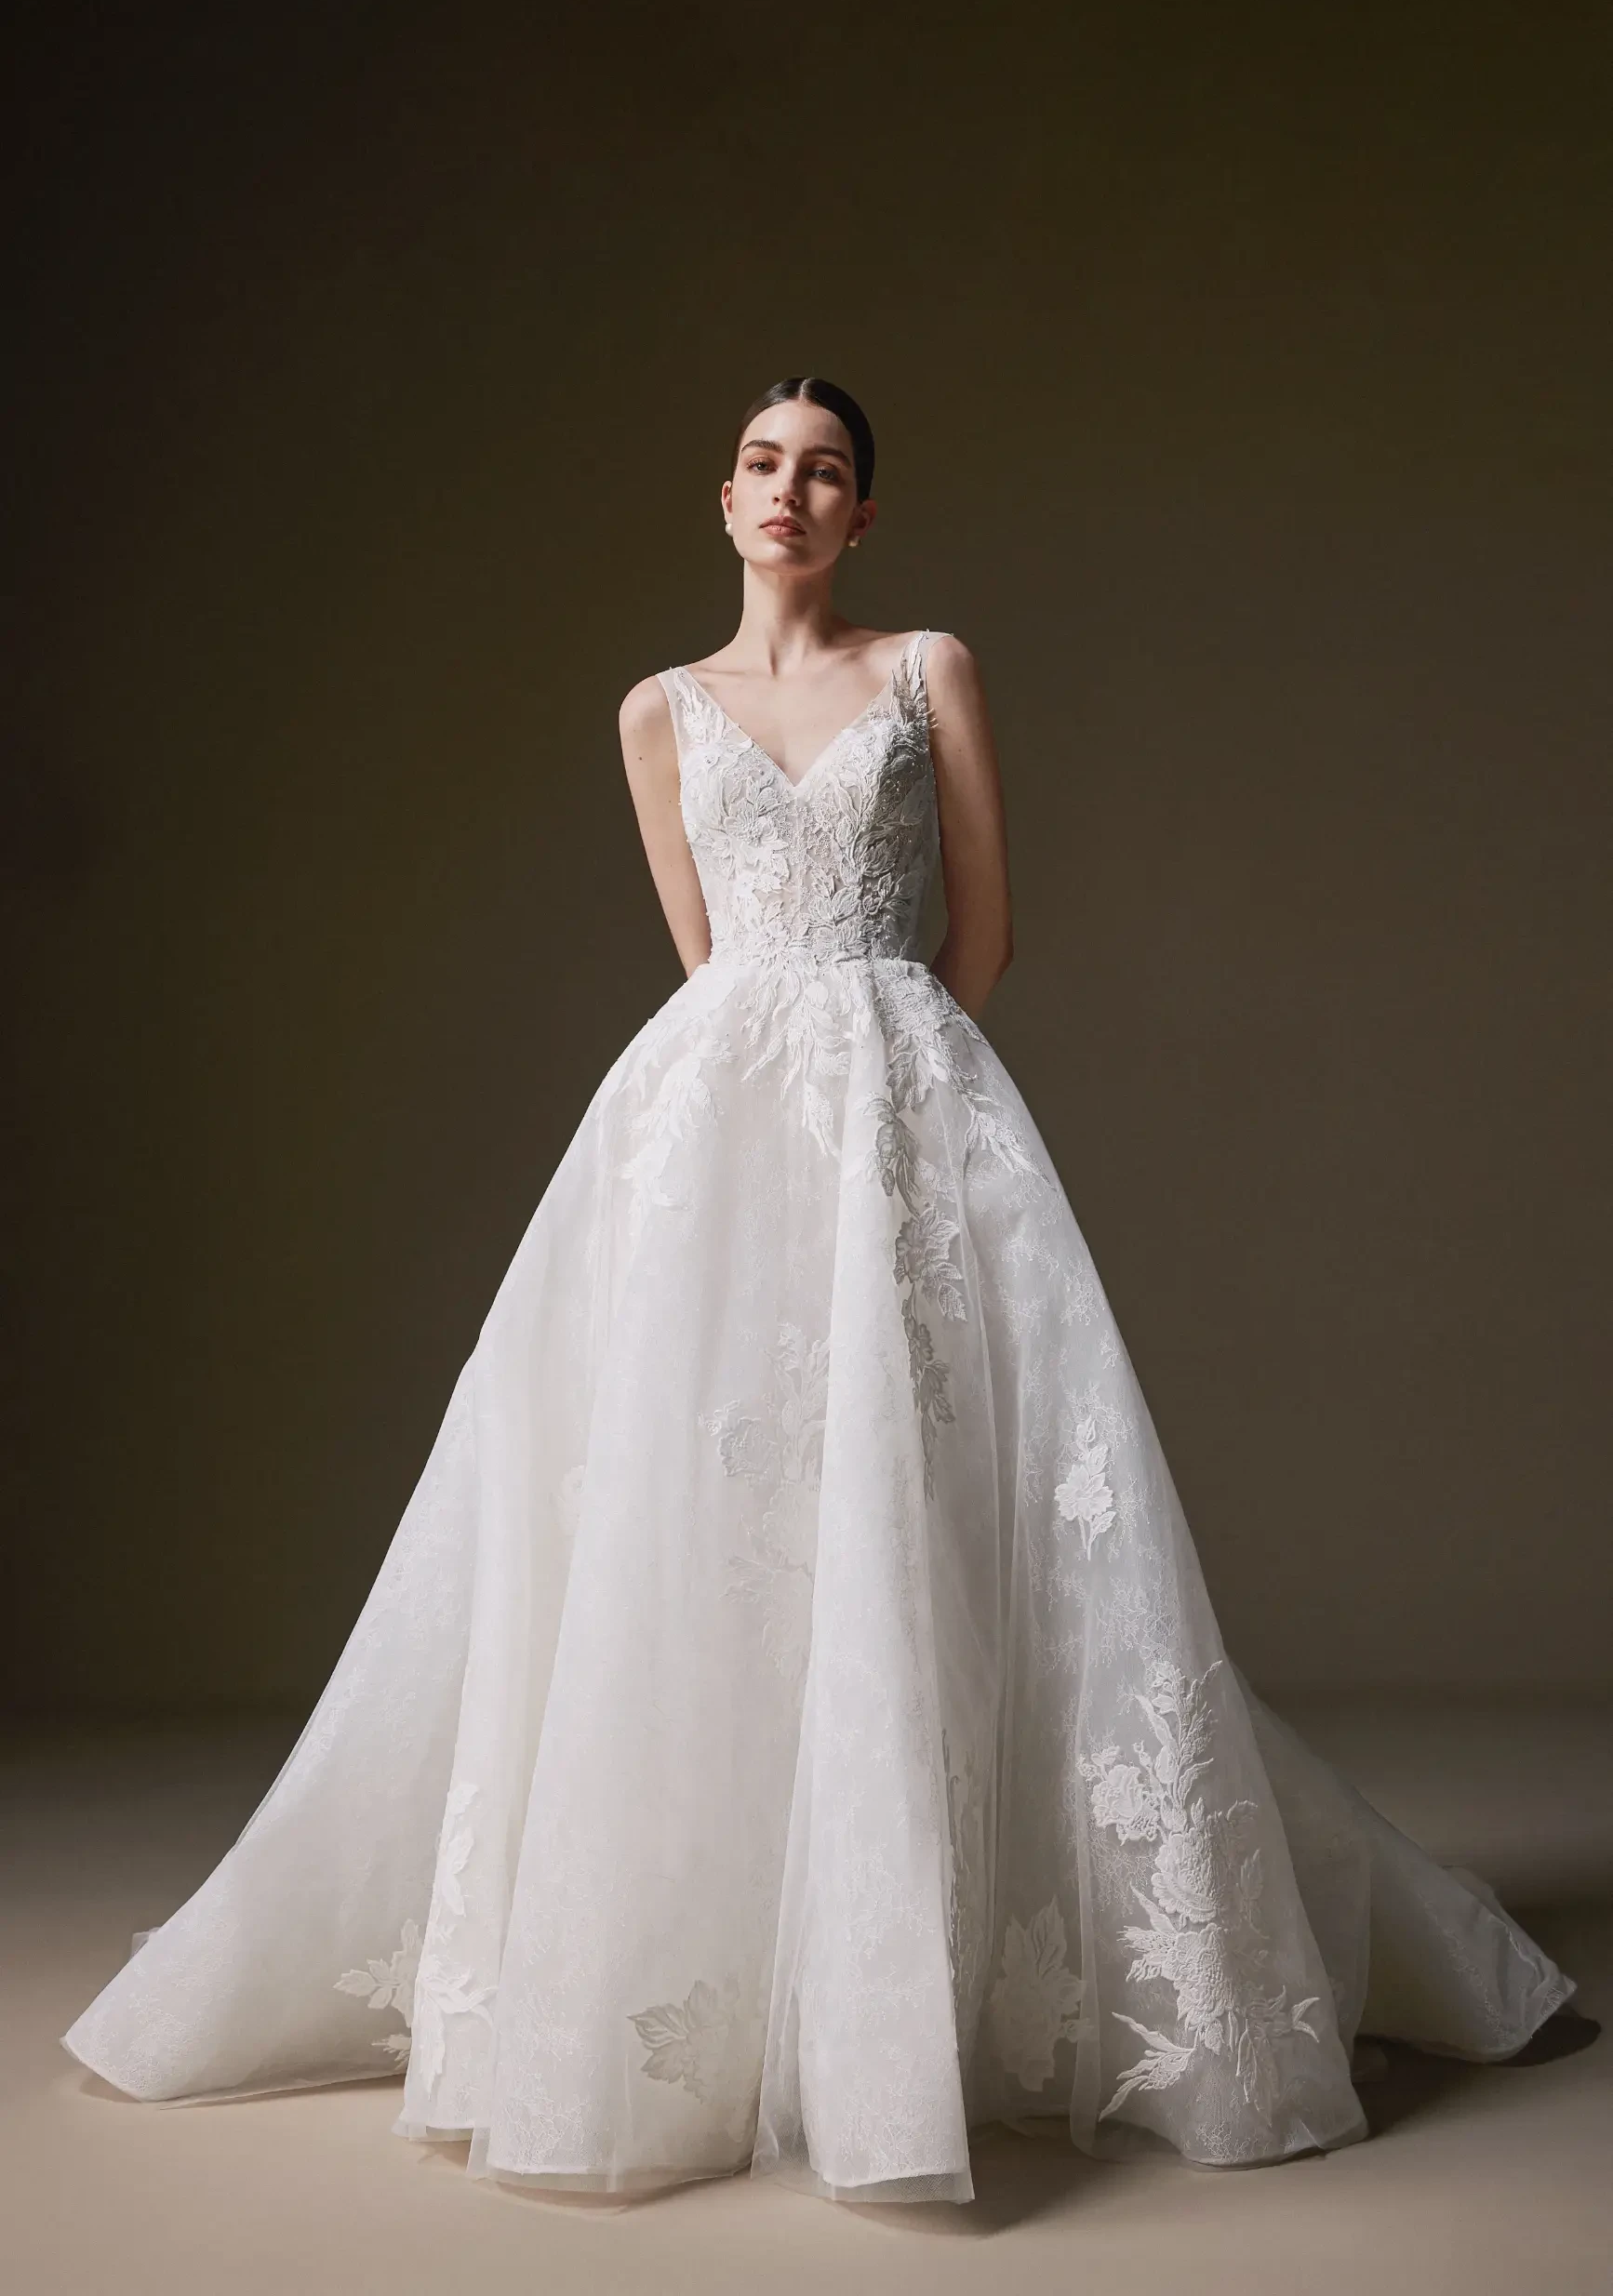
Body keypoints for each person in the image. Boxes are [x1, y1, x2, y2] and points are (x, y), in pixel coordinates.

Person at [63, 377, 1578, 2206]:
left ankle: (917, 1971)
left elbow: (984, 930)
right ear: (724, 500)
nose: (791, 490)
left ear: (864, 515)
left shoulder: (930, 669)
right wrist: (784, 1073)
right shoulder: (656, 711)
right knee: (693, 1516)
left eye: (827, 470)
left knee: (931, 1510)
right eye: (765, 464)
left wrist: (893, 1091)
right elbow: (706, 953)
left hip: (903, 1106)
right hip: (701, 1136)